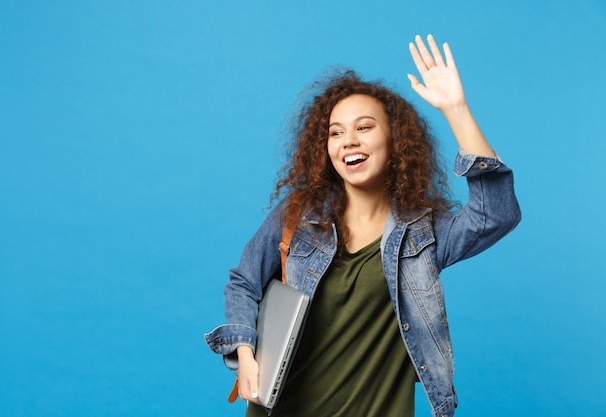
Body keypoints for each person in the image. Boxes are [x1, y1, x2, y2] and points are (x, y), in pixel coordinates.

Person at [205, 34, 521, 417]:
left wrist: (456, 109)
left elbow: (496, 214)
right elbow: (243, 283)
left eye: (365, 127)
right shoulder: (297, 215)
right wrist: (245, 351)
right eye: (336, 132)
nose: (348, 141)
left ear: (395, 140)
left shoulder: (424, 234)